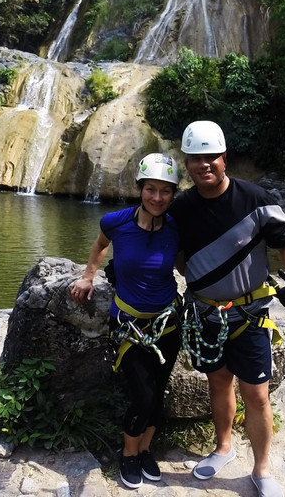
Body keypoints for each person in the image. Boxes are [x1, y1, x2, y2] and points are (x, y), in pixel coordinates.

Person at [169, 120, 285, 497]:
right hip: (207, 315)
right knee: (218, 383)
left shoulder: (255, 199)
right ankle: (223, 447)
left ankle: (261, 469)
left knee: (258, 394)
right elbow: (168, 248)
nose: (205, 164)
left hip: (249, 317)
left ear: (224, 157)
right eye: (196, 159)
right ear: (187, 163)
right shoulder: (181, 207)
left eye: (211, 157)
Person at [69, 152, 182, 490]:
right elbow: (101, 245)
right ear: (140, 189)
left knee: (158, 393)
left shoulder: (176, 228)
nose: (157, 198)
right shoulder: (116, 222)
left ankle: (146, 450)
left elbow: (188, 263)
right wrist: (88, 275)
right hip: (129, 326)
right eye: (151, 189)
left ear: (173, 194)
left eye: (165, 191)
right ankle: (128, 454)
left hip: (167, 325)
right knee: (142, 396)